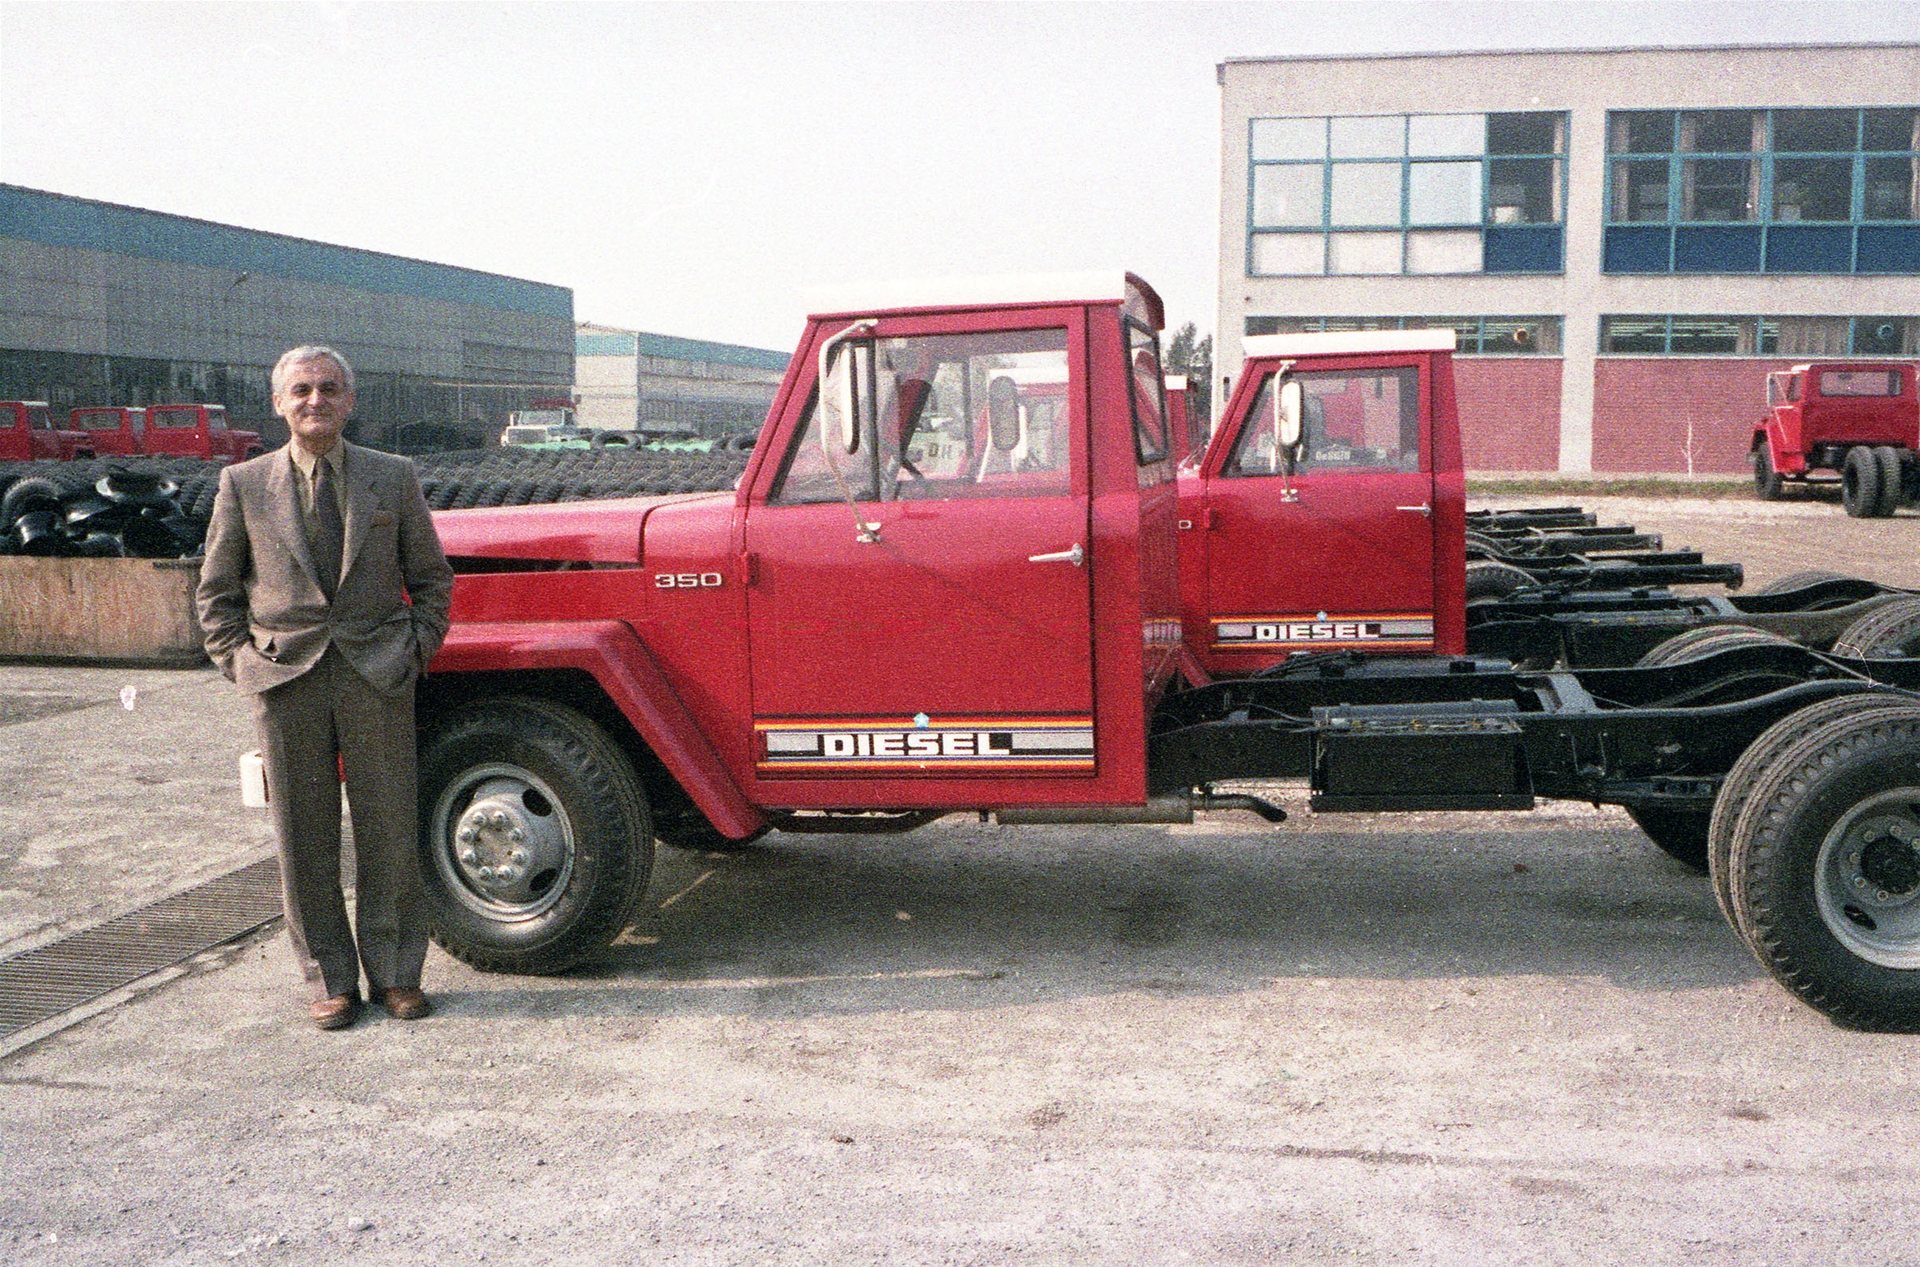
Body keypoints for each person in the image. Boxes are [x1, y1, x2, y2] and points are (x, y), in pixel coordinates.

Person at [196, 346, 455, 1030]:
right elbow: (215, 595)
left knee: (390, 831)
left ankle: (397, 974)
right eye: (302, 390)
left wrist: (414, 651)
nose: (316, 400)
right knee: (302, 838)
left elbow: (432, 581)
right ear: (280, 403)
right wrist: (244, 666)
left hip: (377, 676)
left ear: (349, 401)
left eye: (329, 389)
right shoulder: (244, 484)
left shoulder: (391, 479)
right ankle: (329, 979)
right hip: (287, 682)